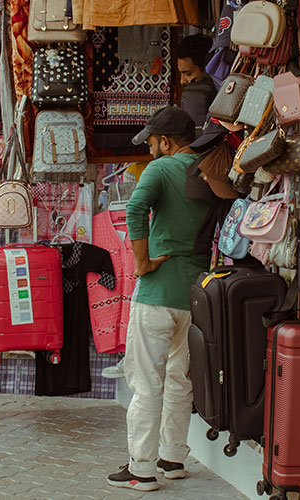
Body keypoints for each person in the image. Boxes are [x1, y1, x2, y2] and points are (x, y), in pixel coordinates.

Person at [107, 106, 212, 491]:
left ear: (166, 141)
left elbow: (135, 208)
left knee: (146, 383)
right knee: (179, 379)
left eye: (152, 140)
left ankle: (141, 469)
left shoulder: (160, 169)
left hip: (156, 293)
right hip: (195, 292)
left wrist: (142, 262)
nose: (149, 146)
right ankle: (172, 458)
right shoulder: (208, 169)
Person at [177, 34, 218, 137]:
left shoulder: (194, 95)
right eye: (181, 74)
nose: (182, 81)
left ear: (206, 69)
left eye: (188, 74)